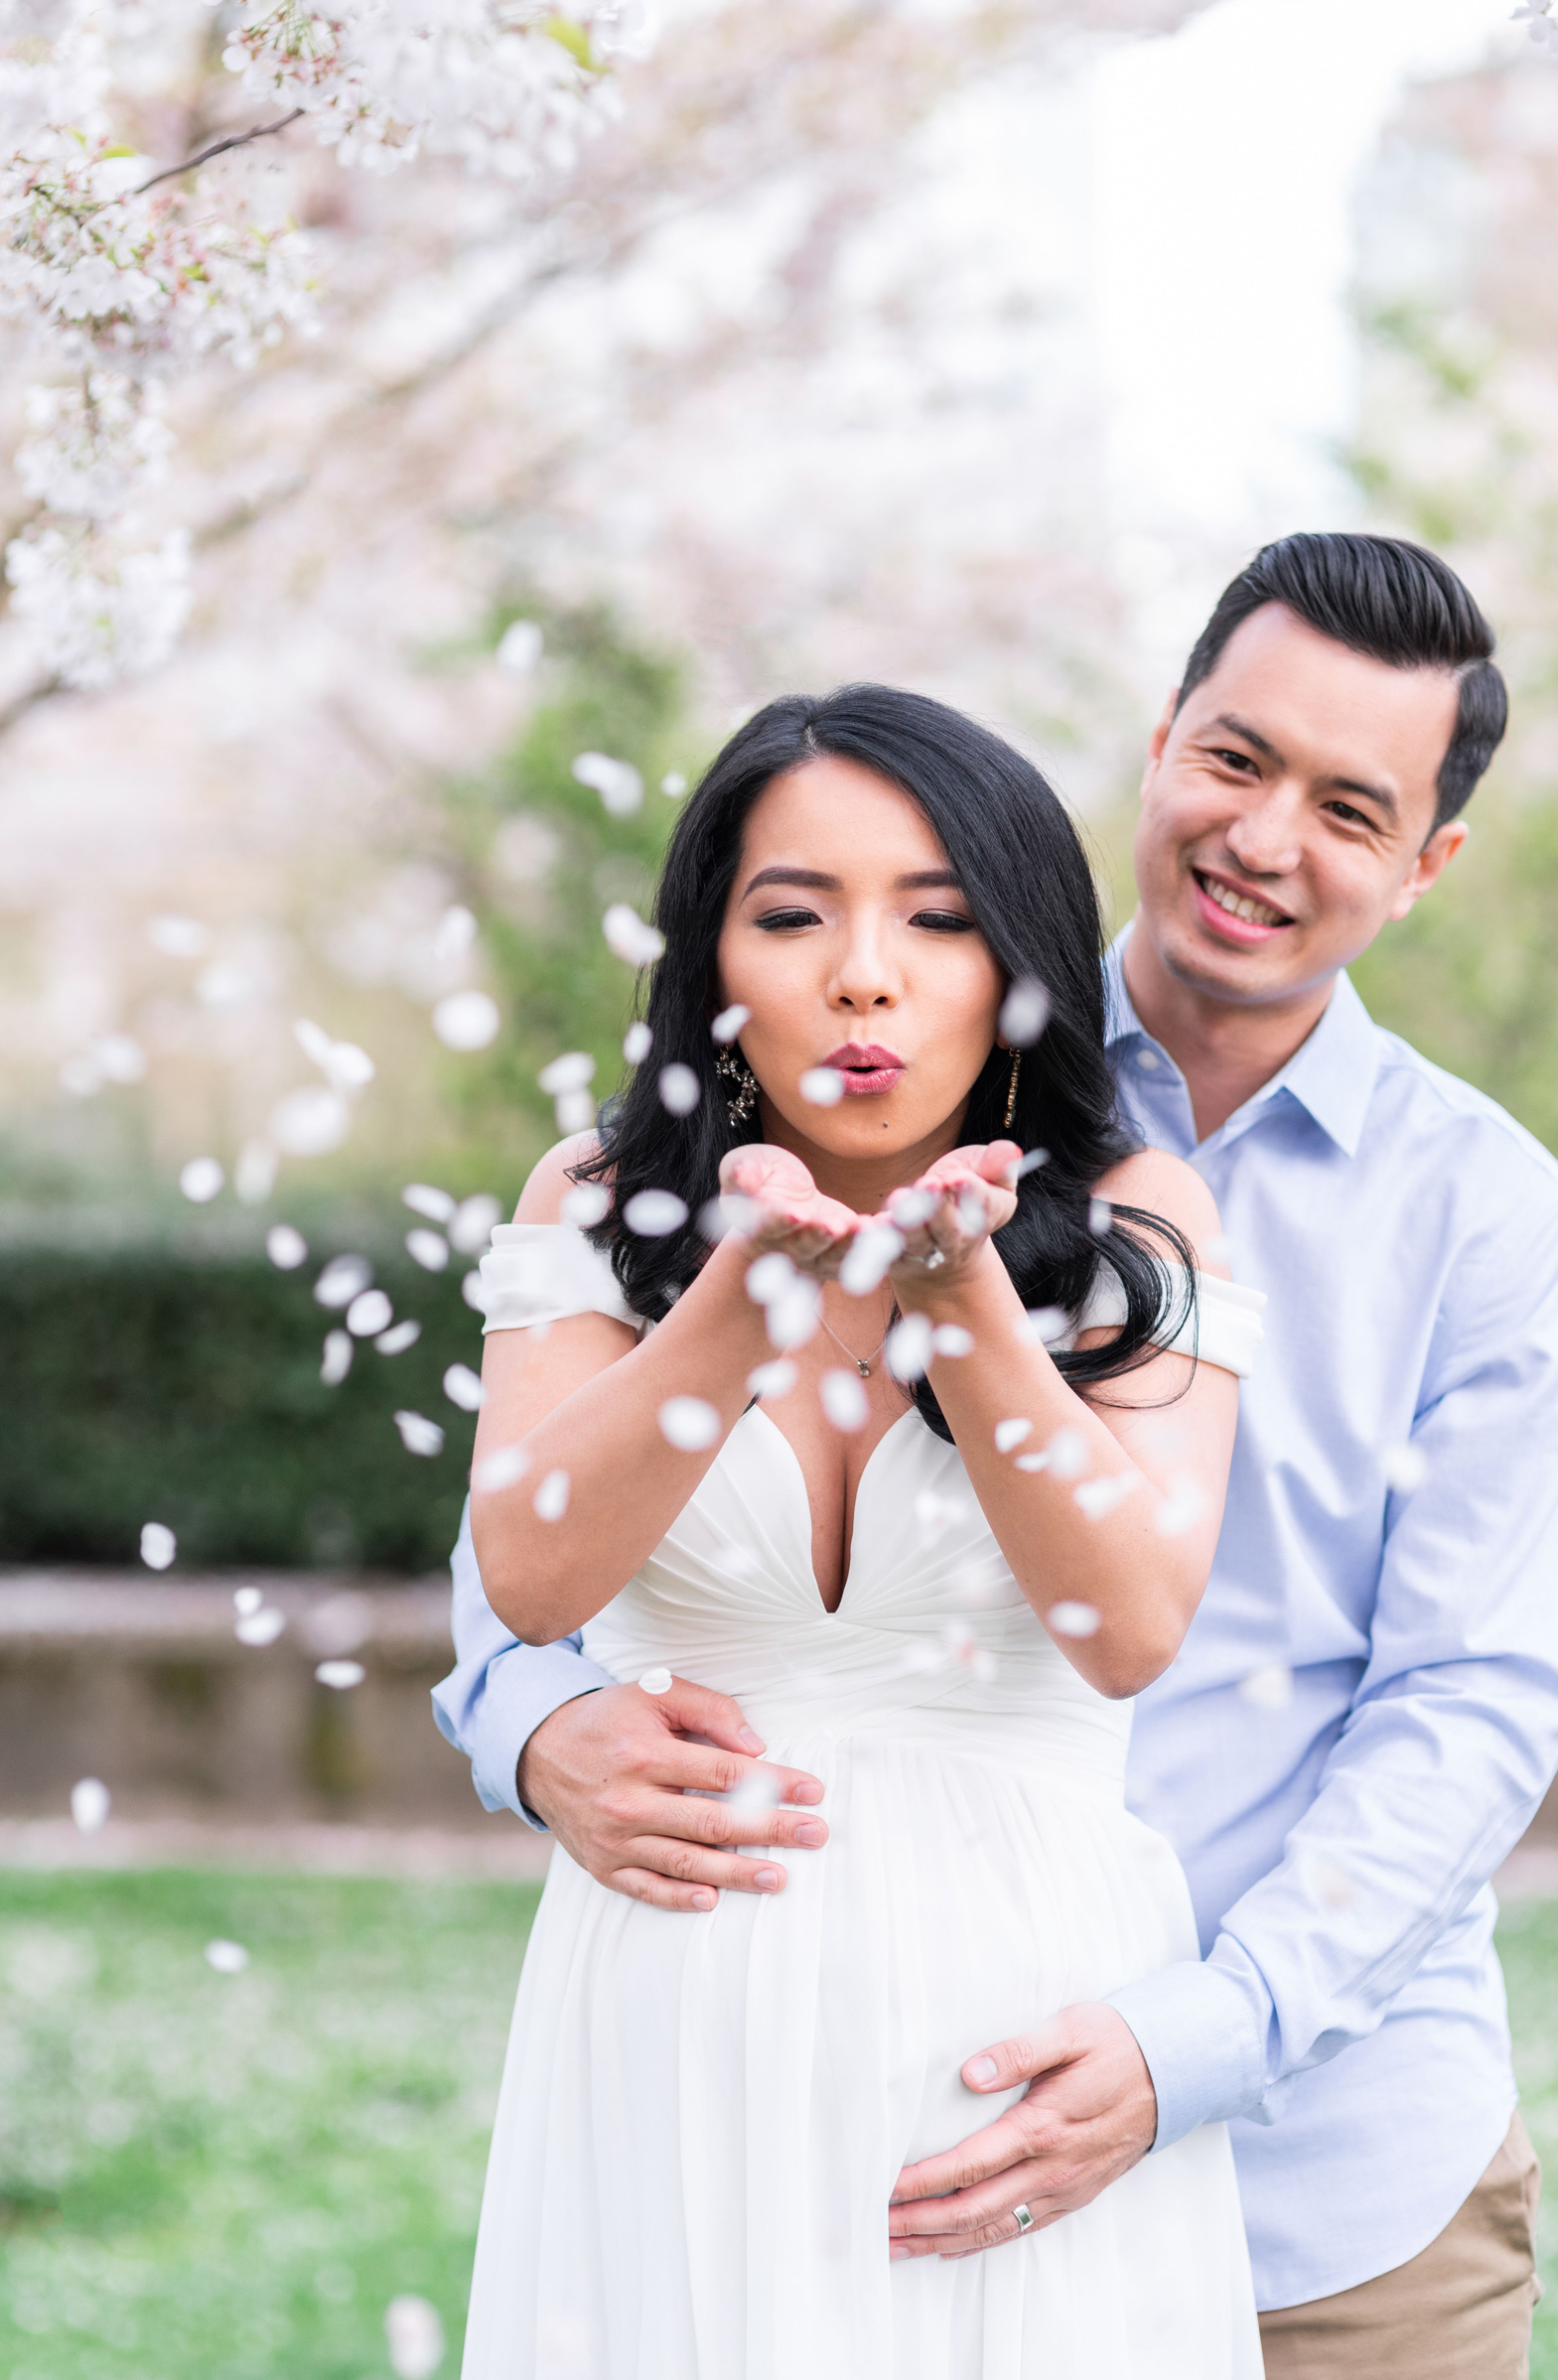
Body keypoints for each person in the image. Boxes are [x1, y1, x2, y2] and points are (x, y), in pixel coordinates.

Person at [437, 533, 1558, 2376]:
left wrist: (1197, 2034)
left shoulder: (1476, 1216)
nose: (1267, 837)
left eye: (1350, 807)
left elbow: (1475, 1701)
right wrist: (537, 1726)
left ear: (1429, 863)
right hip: (757, 2082)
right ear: (1155, 742)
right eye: (1237, 758)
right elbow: (528, 1559)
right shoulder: (852, 1065)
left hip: (1325, 2161)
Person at [447, 683, 1266, 2377]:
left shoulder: (1140, 1219)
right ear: (712, 962)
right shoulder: (593, 1205)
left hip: (1015, 2023)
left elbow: (1128, 1621)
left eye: (939, 919)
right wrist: (742, 1302)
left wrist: (959, 1294)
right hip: (670, 2024)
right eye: (792, 914)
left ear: (1022, 966)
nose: (863, 974)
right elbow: (530, 1577)